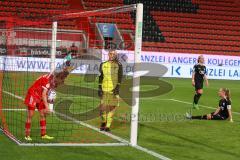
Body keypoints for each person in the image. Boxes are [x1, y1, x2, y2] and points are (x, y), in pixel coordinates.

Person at [24, 56, 73, 141]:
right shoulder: (48, 81)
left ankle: (43, 135)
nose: (61, 83)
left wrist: (67, 65)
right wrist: (47, 106)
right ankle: (27, 135)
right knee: (30, 115)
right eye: (61, 81)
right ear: (57, 78)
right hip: (33, 93)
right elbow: (43, 94)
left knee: (43, 114)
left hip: (42, 94)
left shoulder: (56, 78)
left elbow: (63, 73)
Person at [98, 50, 123, 132]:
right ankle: (103, 121)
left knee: (112, 108)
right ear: (108, 54)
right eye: (111, 53)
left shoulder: (119, 65)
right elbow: (100, 77)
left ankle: (108, 126)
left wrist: (117, 88)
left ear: (116, 55)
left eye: (114, 54)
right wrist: (99, 88)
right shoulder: (103, 64)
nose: (112, 55)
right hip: (104, 89)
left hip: (114, 90)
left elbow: (120, 77)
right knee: (102, 108)